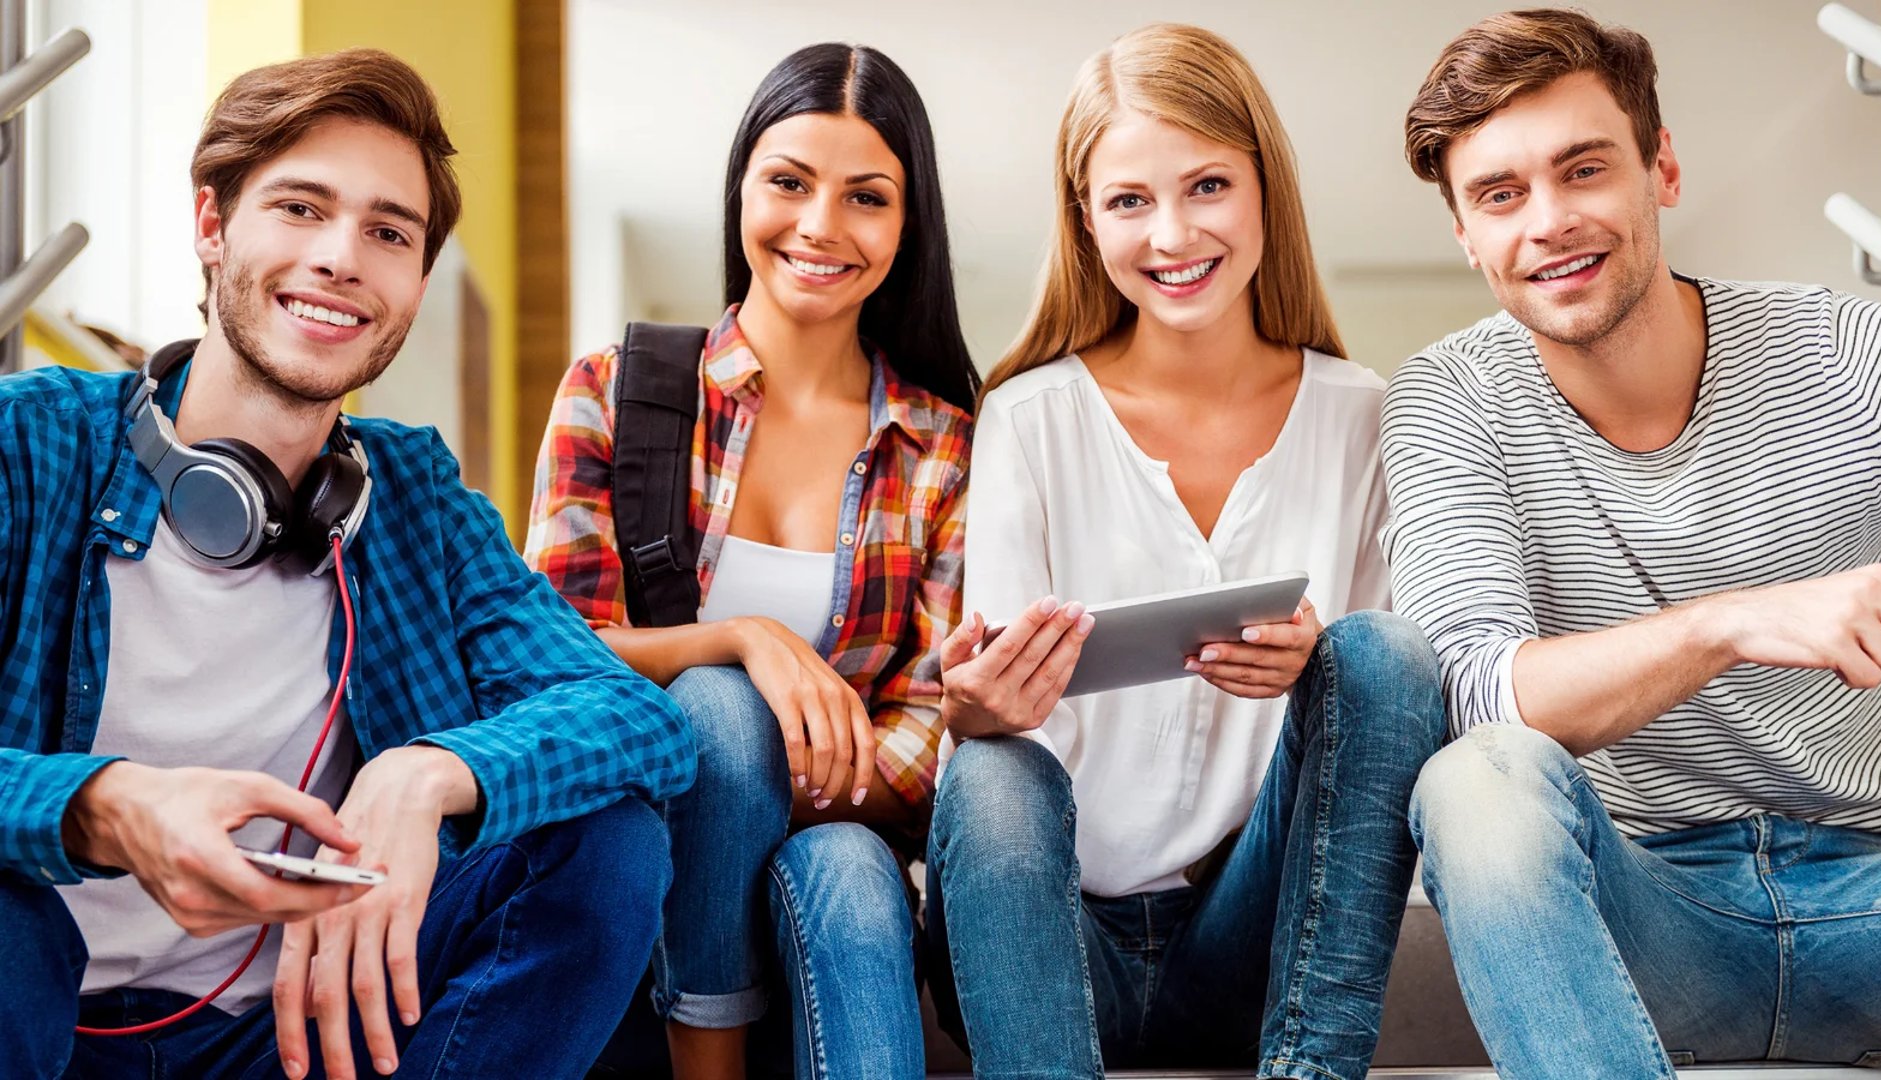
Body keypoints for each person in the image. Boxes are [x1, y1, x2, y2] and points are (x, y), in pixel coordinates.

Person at [0, 49, 693, 1080]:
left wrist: (432, 775)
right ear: (211, 225)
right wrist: (105, 806)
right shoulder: (31, 445)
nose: (340, 258)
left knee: (605, 845)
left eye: (387, 232)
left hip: (297, 1033)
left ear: (415, 280)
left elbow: (642, 721)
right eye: (300, 208)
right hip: (36, 1021)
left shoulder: (418, 503)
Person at [1384, 9, 1881, 1076]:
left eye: (1584, 170)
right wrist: (1734, 621)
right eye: (1500, 195)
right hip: (1642, 918)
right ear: (1464, 234)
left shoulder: (1858, 349)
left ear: (1660, 168)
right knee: (1473, 777)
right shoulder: (1450, 400)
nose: (1548, 222)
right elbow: (1477, 693)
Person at [925, 24, 1446, 1080]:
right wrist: (976, 710)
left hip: (1252, 938)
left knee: (1386, 655)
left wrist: (1319, 674)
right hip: (1055, 938)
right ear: (1086, 219)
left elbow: (1390, 728)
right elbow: (995, 732)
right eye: (1129, 201)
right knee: (987, 779)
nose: (1172, 234)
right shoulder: (1028, 417)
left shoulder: (1362, 417)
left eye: (1207, 184)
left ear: (1265, 190)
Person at [525, 43, 974, 1080]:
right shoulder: (612, 389)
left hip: (836, 851)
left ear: (908, 226)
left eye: (866, 196)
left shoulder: (945, 443)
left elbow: (934, 713)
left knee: (851, 866)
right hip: (640, 858)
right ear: (741, 189)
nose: (819, 225)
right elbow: (549, 655)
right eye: (788, 182)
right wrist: (740, 639)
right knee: (722, 704)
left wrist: (772, 787)